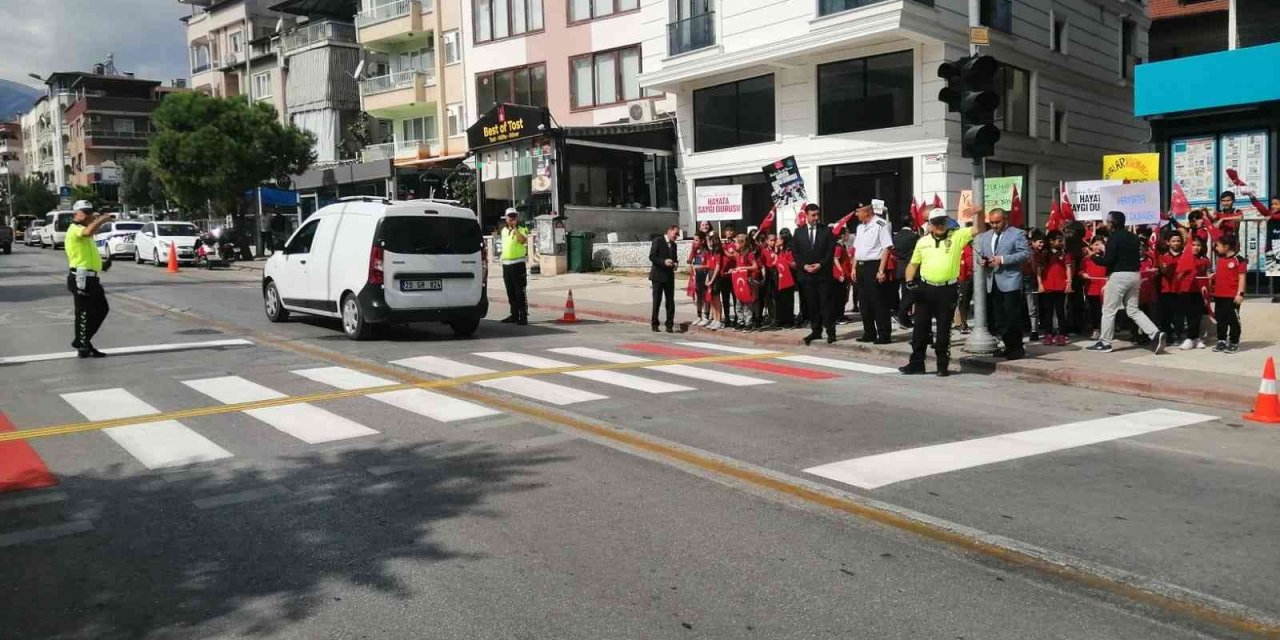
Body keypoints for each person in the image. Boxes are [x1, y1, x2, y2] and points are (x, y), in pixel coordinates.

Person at [900, 210, 972, 377]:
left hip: (947, 290)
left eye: (942, 221)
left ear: (947, 222)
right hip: (926, 288)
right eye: (936, 222)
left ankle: (942, 365)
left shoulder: (957, 236)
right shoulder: (922, 241)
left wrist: (979, 213)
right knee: (919, 328)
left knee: (943, 329)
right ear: (930, 224)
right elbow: (913, 264)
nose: (939, 225)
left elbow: (979, 229)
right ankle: (917, 364)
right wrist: (910, 281)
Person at [1086, 211, 1167, 353]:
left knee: (1108, 309)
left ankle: (1105, 342)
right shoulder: (1133, 237)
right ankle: (1155, 333)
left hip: (1118, 276)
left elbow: (1108, 261)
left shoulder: (1113, 238)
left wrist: (1093, 256)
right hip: (1135, 275)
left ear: (1113, 223)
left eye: (1108, 220)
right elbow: (1125, 255)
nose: (1106, 223)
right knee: (1133, 310)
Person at [974, 208, 1031, 360]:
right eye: (991, 222)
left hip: (1010, 281)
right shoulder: (986, 236)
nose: (994, 225)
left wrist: (1003, 259)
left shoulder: (1016, 234)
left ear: (1005, 219)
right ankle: (1008, 345)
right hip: (992, 282)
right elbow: (981, 255)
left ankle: (1017, 348)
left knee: (1012, 317)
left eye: (997, 222)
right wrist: (983, 261)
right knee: (998, 319)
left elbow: (1025, 254)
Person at [65, 200, 112, 358]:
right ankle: (83, 345)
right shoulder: (75, 229)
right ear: (76, 214)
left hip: (90, 278)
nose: (88, 215)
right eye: (84, 212)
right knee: (84, 313)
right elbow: (87, 232)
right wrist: (102, 219)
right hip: (80, 278)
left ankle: (82, 341)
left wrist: (102, 265)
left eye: (89, 212)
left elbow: (87, 255)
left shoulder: (86, 230)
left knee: (101, 309)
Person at [792, 203, 837, 345]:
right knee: (812, 304)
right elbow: (796, 253)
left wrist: (820, 264)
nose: (816, 218)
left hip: (822, 274)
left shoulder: (826, 231)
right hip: (807, 275)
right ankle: (816, 330)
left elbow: (830, 252)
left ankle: (831, 331)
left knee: (826, 304)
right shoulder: (799, 232)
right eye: (813, 215)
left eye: (817, 214)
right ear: (806, 215)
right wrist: (804, 266)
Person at [851, 204, 893, 343]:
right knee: (864, 303)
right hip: (861, 267)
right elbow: (857, 250)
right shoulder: (860, 227)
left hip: (874, 266)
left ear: (867, 212)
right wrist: (854, 268)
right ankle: (869, 332)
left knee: (878, 301)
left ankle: (884, 334)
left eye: (858, 211)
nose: (856, 214)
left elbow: (886, 248)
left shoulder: (880, 224)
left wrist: (881, 270)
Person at [1210, 234, 1246, 353]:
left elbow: (1242, 277)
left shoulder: (1239, 260)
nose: (1216, 248)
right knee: (1220, 319)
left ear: (1226, 246)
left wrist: (1240, 294)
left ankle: (1234, 342)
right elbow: (1222, 275)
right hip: (1219, 295)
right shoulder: (1221, 259)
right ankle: (1221, 341)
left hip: (1232, 296)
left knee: (1233, 320)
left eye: (1218, 246)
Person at [1038, 230, 1073, 346]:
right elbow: (1039, 270)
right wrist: (1040, 284)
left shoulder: (1065, 253)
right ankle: (1048, 334)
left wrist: (1069, 282)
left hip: (1060, 286)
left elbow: (1068, 268)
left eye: (1062, 240)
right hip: (1047, 285)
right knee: (1047, 312)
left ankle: (1062, 334)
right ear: (1051, 241)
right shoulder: (1044, 253)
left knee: (1060, 311)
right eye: (1059, 240)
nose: (1061, 242)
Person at [498, 209, 530, 325]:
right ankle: (514, 314)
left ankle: (523, 315)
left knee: (519, 291)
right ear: (506, 218)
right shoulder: (503, 231)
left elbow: (522, 241)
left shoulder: (522, 229)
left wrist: (515, 229)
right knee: (510, 291)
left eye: (514, 216)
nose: (512, 219)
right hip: (506, 264)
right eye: (509, 217)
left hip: (518, 264)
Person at [649, 225, 680, 332]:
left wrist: (675, 264)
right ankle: (655, 323)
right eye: (675, 234)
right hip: (658, 276)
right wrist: (663, 262)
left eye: (677, 235)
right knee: (657, 301)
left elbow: (675, 258)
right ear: (669, 231)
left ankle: (669, 324)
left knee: (670, 301)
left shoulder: (674, 245)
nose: (676, 236)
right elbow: (652, 256)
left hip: (669, 276)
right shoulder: (658, 240)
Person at [1080, 236, 1109, 341]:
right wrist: (1084, 274)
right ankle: (1096, 329)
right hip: (1092, 289)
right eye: (1096, 244)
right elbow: (1081, 271)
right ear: (1091, 246)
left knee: (1106, 311)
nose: (1098, 247)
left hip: (1105, 288)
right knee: (1094, 311)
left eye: (1101, 244)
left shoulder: (1107, 258)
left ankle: (1107, 330)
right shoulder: (1086, 260)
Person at [892, 226, 919, 329]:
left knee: (905, 293)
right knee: (912, 294)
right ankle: (901, 315)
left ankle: (904, 318)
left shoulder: (896, 237)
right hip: (912, 267)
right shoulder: (913, 236)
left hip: (901, 267)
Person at [688, 232, 711, 326]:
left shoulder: (706, 252)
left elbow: (709, 265)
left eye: (696, 240)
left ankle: (706, 317)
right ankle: (699, 316)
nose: (694, 242)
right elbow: (690, 261)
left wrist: (700, 266)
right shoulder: (695, 251)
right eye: (694, 240)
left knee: (706, 298)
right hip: (696, 277)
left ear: (702, 241)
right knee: (698, 298)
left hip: (704, 276)